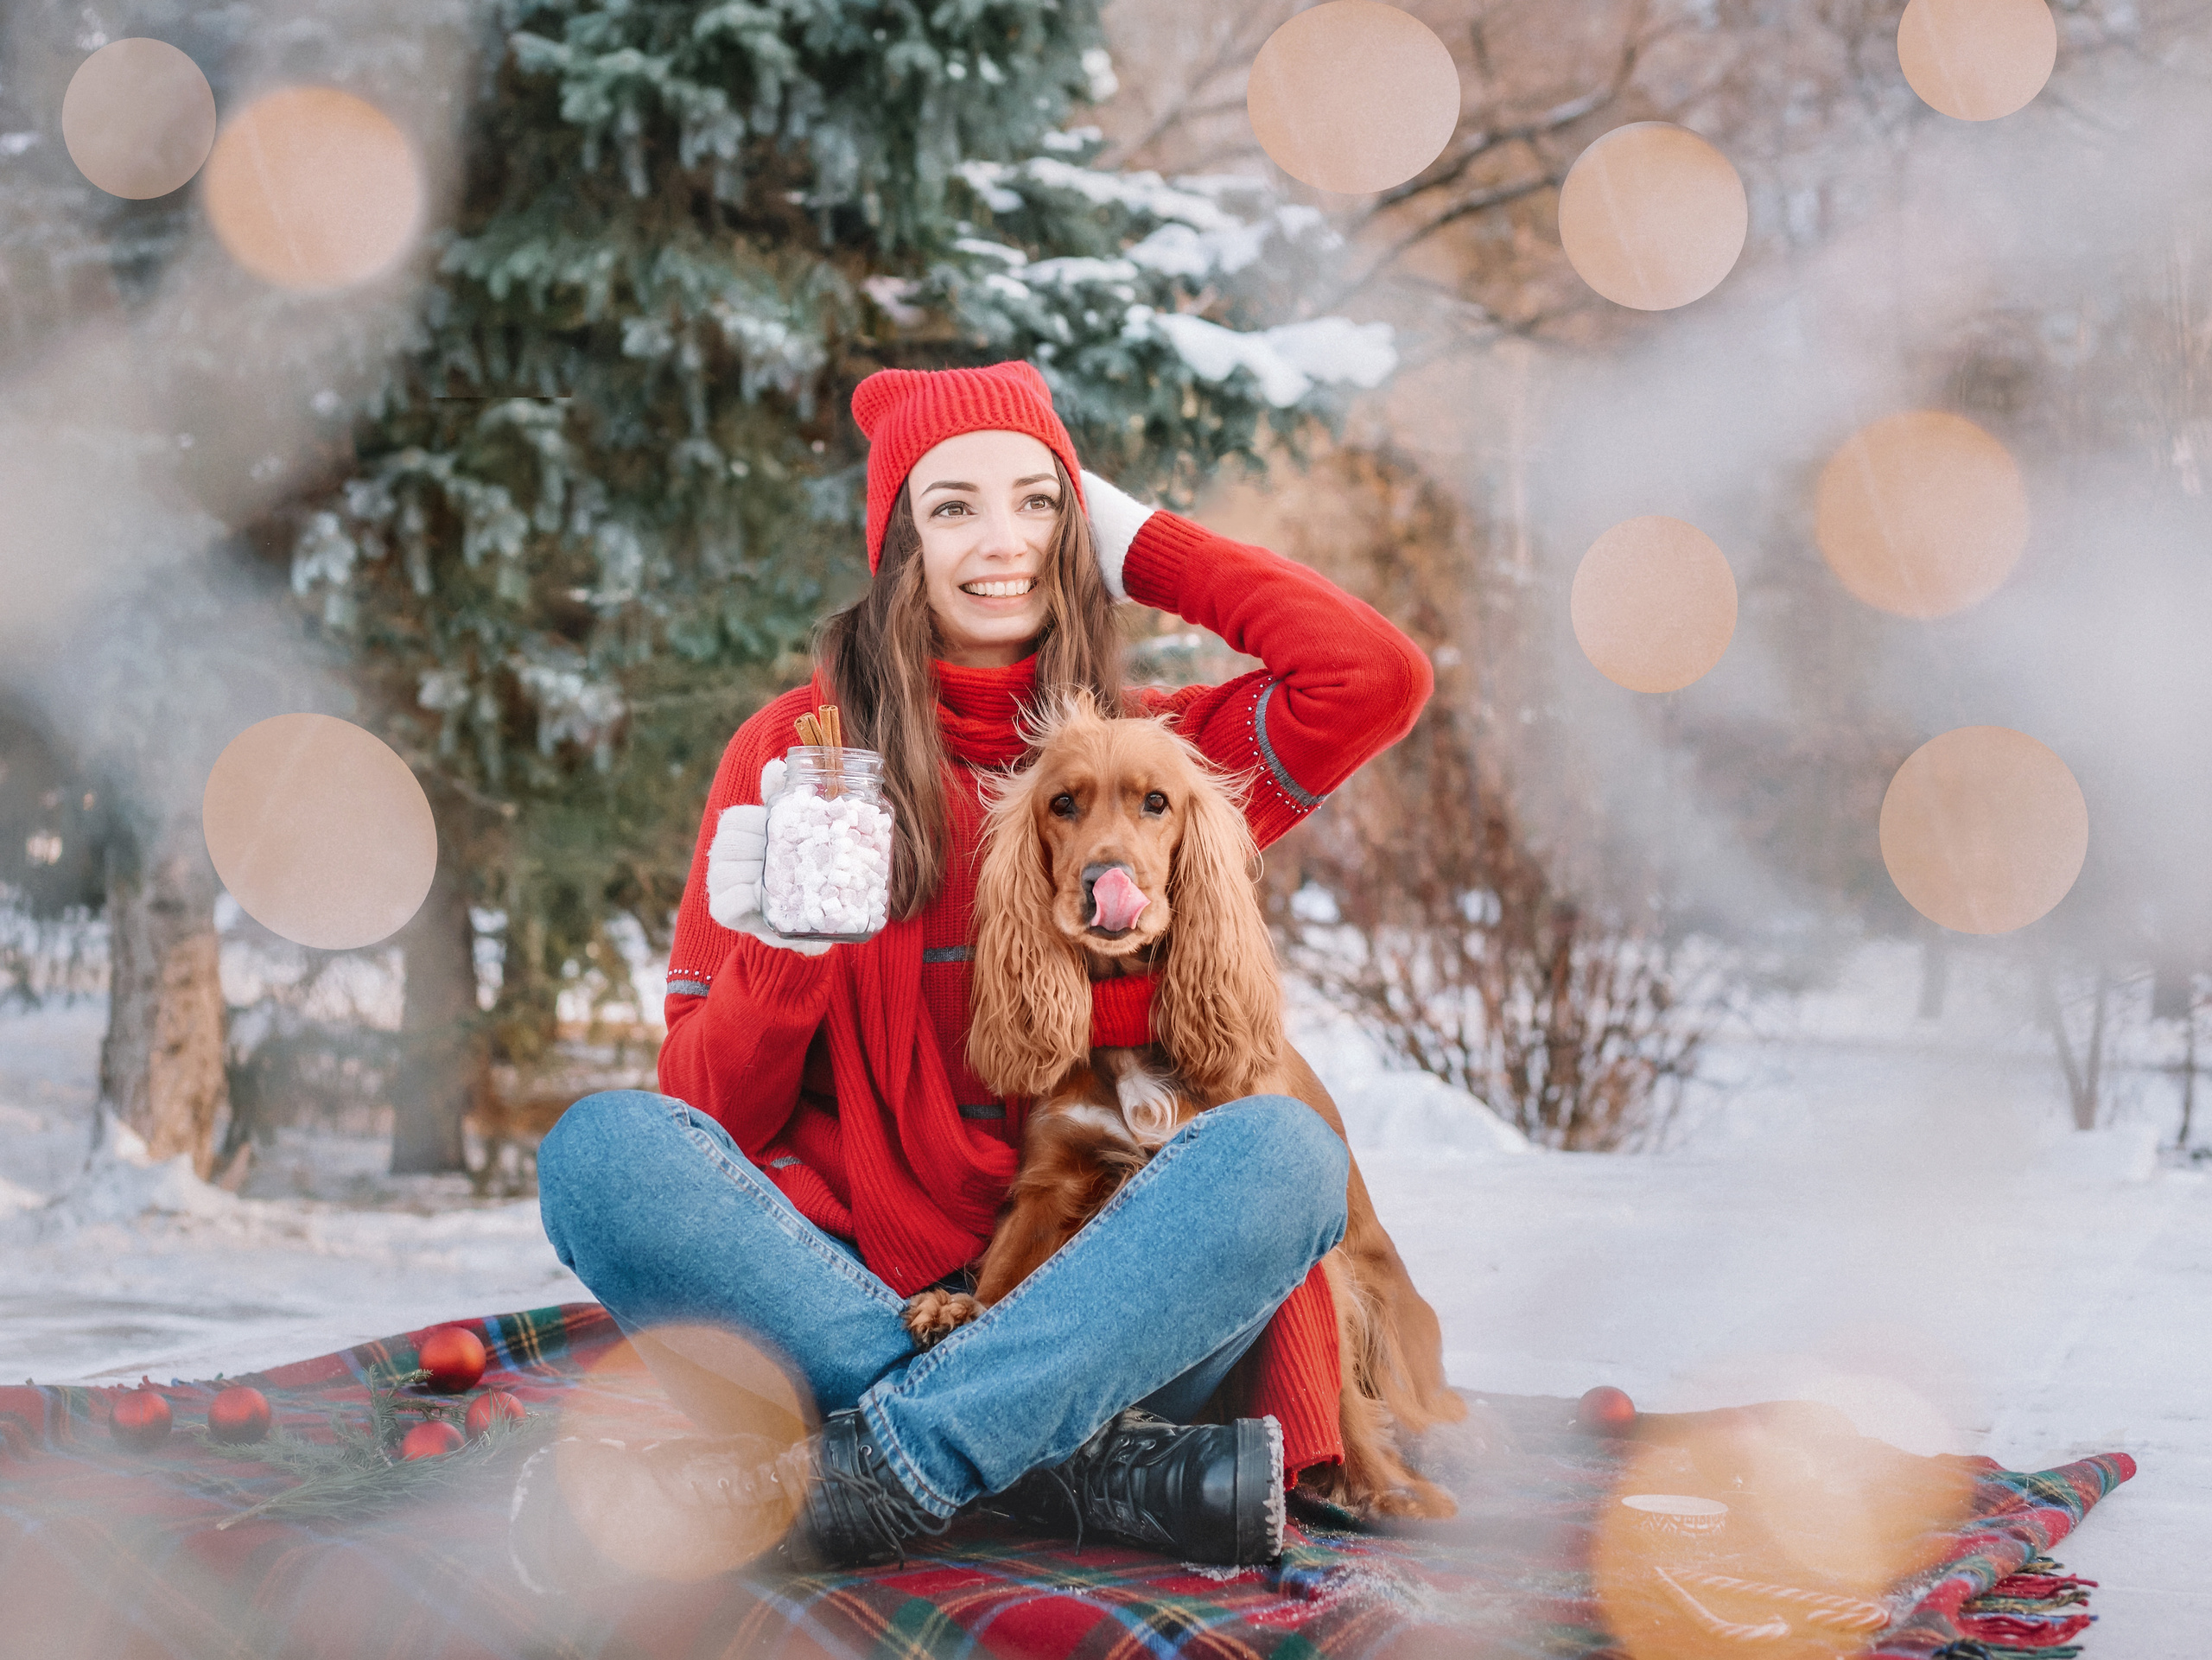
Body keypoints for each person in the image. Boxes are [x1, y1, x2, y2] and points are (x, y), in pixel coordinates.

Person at [533, 360, 1433, 1573]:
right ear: (900, 539)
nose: (1001, 542)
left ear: (1076, 528)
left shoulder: (1146, 764)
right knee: (602, 1154)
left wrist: (1142, 541)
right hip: (844, 1293)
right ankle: (1069, 1468)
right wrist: (783, 962)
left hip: (1109, 1308)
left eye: (1036, 504)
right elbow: (707, 1121)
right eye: (954, 506)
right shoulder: (798, 755)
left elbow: (1375, 676)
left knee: (1285, 1156)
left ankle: (869, 1467)